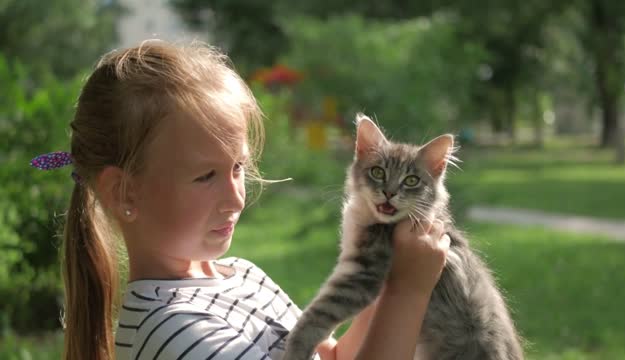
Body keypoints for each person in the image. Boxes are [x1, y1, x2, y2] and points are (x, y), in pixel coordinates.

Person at [34, 40, 450, 360]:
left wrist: (387, 275)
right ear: (125, 192)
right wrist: (406, 292)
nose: (235, 197)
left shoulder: (243, 277)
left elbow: (334, 356)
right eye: (205, 176)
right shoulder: (172, 331)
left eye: (237, 168)